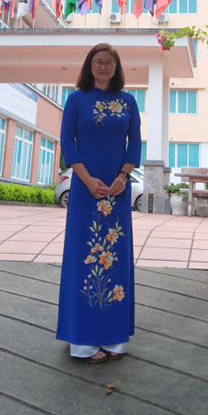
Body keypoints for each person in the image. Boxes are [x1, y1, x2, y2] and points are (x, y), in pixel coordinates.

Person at [56, 43, 141, 363]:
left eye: (109, 62)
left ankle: (114, 340)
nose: (103, 66)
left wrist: (123, 177)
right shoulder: (76, 100)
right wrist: (88, 180)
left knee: (115, 261)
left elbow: (134, 145)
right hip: (85, 190)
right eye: (98, 61)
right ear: (89, 66)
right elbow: (67, 142)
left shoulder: (128, 101)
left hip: (116, 193)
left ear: (117, 68)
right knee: (84, 257)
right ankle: (83, 341)